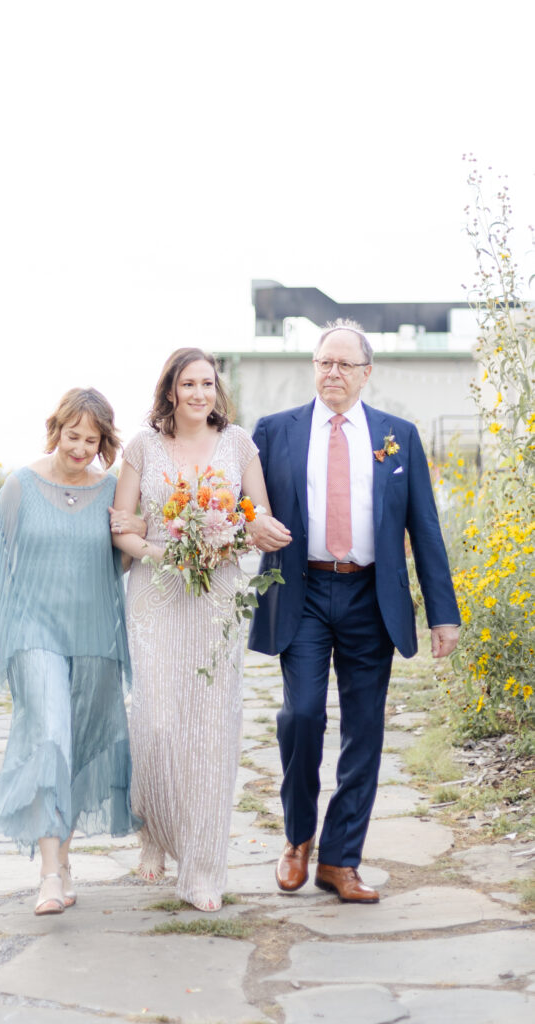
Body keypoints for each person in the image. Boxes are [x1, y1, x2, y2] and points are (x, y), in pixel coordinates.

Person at [248, 319, 460, 903]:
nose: (332, 373)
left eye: (344, 364)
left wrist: (443, 613)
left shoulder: (398, 436)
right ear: (313, 368)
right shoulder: (274, 431)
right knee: (302, 717)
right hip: (304, 591)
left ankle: (340, 860)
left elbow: (426, 528)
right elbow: (245, 502)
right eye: (323, 362)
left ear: (367, 373)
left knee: (364, 729)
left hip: (372, 595)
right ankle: (297, 838)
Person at [109, 347, 288, 912]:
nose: (199, 393)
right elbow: (122, 528)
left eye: (207, 383)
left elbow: (256, 515)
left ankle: (204, 868)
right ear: (170, 390)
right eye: (188, 383)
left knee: (211, 728)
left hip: (218, 596)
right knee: (157, 724)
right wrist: (169, 554)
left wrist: (229, 540)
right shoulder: (142, 446)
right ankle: (156, 827)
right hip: (156, 594)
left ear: (217, 390)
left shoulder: (237, 444)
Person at [0, 388, 142, 915]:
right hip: (33, 634)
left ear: (103, 441)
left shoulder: (111, 492)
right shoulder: (19, 487)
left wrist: (141, 530)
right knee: (49, 738)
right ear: (56, 430)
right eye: (73, 436)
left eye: (92, 440)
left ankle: (62, 861)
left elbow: (124, 564)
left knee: (81, 747)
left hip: (93, 637)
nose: (81, 448)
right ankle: (47, 875)